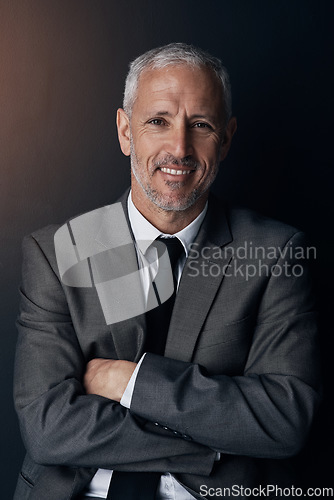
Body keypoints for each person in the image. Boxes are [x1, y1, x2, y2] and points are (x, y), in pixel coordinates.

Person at [14, 43, 320, 500]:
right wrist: (211, 445)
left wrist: (130, 383)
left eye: (200, 125)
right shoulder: (57, 252)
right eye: (158, 121)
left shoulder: (276, 253)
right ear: (125, 131)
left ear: (228, 137)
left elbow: (283, 420)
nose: (179, 148)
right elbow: (48, 428)